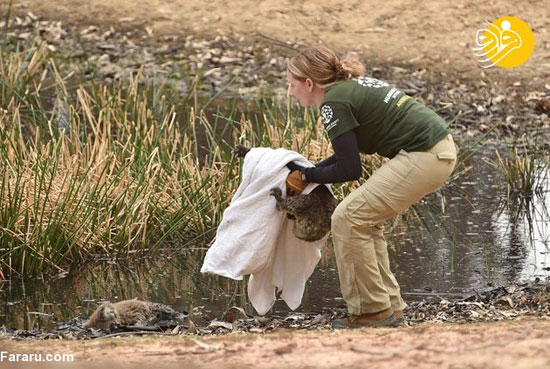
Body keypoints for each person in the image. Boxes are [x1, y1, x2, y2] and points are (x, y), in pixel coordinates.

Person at [284, 46, 457, 328]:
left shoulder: (333, 103)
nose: (290, 92)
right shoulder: (345, 89)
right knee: (364, 221)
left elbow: (350, 169)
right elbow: (345, 156)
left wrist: (305, 177)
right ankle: (389, 307)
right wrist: (308, 173)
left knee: (348, 218)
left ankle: (371, 312)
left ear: (309, 83)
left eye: (291, 85)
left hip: (425, 154)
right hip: (434, 151)